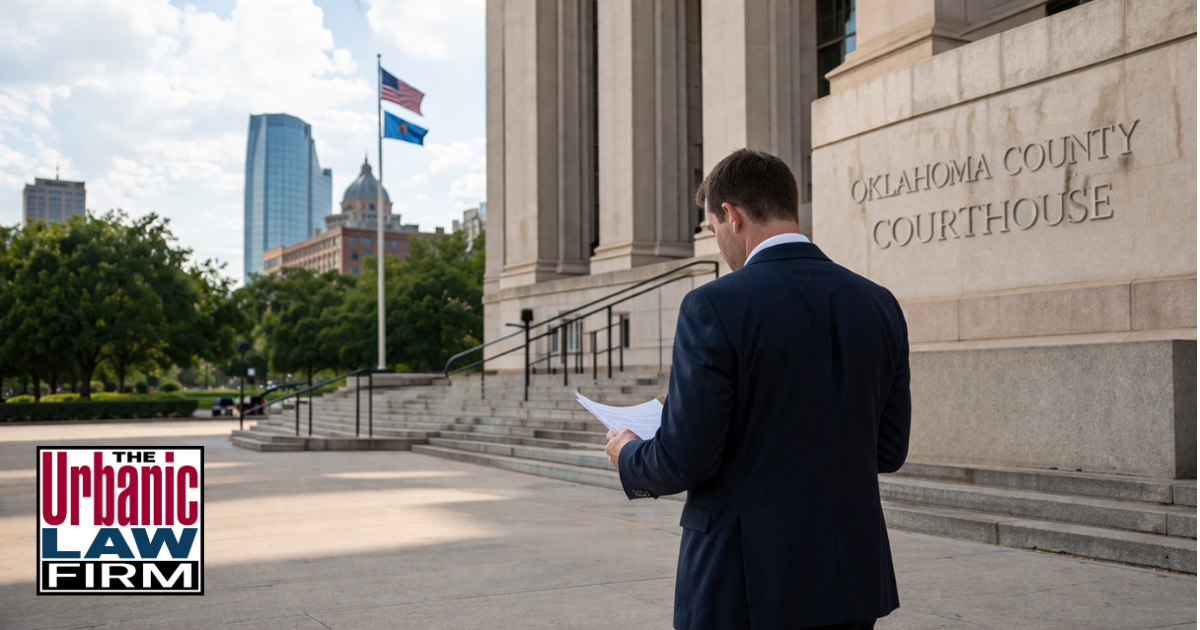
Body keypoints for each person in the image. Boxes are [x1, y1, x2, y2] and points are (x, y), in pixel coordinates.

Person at [606, 148, 911, 630]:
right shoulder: (878, 303)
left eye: (711, 231)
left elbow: (684, 460)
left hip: (743, 583)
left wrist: (628, 452)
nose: (719, 246)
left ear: (732, 216)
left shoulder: (711, 305)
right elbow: (888, 449)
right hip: (850, 576)